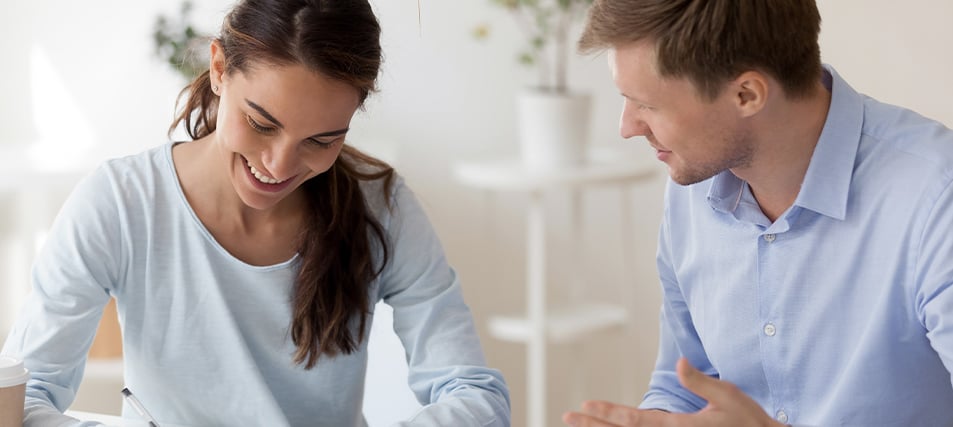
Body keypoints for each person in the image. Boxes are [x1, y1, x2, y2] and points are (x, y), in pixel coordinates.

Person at [0, 0, 511, 426]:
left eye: (321, 140)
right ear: (219, 69)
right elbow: (22, 398)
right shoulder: (120, 202)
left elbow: (474, 395)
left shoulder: (382, 206)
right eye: (261, 123)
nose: (279, 165)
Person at [562, 0, 953, 426]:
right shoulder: (693, 184)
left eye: (648, 105)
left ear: (746, 94)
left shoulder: (935, 198)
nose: (627, 126)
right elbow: (686, 385)